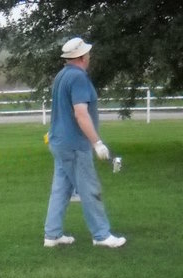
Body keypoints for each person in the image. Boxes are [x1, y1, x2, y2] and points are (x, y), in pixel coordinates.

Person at [44, 36, 126, 248]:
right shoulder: (78, 78)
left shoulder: (62, 75)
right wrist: (97, 143)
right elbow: (81, 114)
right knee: (89, 188)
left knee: (61, 188)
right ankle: (101, 235)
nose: (89, 56)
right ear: (82, 57)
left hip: (58, 141)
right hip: (74, 144)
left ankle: (52, 235)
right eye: (87, 53)